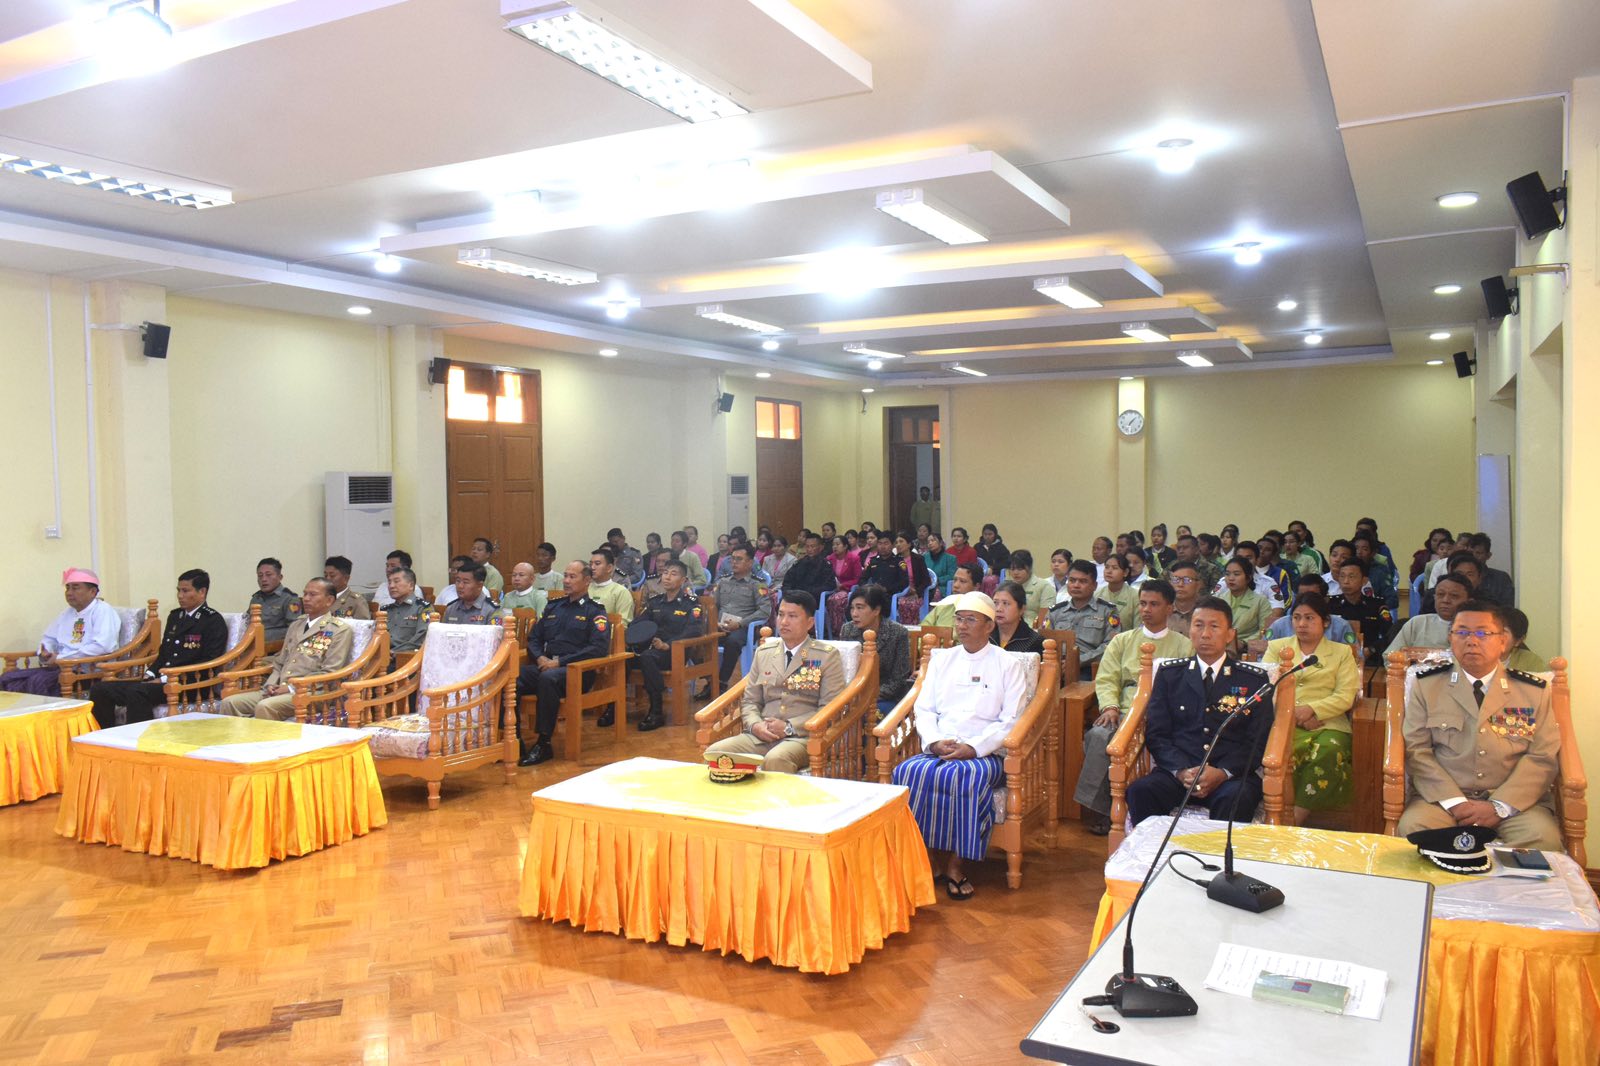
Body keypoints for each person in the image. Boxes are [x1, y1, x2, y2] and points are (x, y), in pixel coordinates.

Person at [892, 591, 1029, 900]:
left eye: (970, 620)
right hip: (941, 746)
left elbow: (1011, 720)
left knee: (963, 777)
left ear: (989, 626)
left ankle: (956, 864)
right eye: (959, 619)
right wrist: (934, 741)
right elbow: (924, 709)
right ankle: (927, 858)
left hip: (985, 753)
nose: (962, 626)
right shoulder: (942, 659)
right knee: (907, 772)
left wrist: (973, 748)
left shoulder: (1007, 664)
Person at [1396, 601, 1561, 849]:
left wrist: (1499, 807)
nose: (1472, 641)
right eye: (1462, 632)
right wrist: (1455, 802)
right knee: (1415, 831)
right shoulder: (1427, 686)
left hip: (1516, 804)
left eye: (1483, 633)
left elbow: (1542, 756)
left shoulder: (1532, 691)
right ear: (1450, 638)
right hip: (1441, 801)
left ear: (1503, 641)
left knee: (1542, 839)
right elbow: (1417, 751)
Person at [1126, 598, 1274, 825]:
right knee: (1141, 791)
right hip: (1179, 773)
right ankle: (1155, 850)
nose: (1205, 634)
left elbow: (1257, 740)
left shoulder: (1253, 680)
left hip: (1230, 777)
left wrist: (1222, 772)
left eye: (1214, 626)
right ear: (1190, 631)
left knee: (1237, 798)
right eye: (1198, 625)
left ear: (1230, 634)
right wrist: (1181, 770)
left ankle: (1219, 851)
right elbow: (1157, 733)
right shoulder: (1170, 675)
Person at [1073, 580, 1193, 833]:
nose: (1146, 610)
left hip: (1164, 714)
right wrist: (1110, 707)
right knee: (1098, 735)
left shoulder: (1184, 645)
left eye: (1154, 604)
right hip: (1125, 710)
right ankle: (1104, 810)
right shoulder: (1122, 640)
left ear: (1169, 608)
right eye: (1143, 603)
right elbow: (1107, 678)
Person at [704, 592, 846, 773]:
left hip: (803, 737)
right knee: (716, 753)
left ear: (810, 623)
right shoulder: (764, 652)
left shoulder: (826, 656)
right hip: (762, 734)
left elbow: (830, 708)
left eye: (792, 616)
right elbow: (750, 701)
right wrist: (755, 725)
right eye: (781, 615)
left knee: (776, 759)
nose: (784, 622)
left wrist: (788, 727)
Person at [87, 569, 228, 728]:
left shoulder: (212, 621)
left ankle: (139, 739)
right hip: (163, 681)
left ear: (202, 592)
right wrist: (150, 673)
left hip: (190, 684)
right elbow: (164, 653)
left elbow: (209, 662)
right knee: (101, 689)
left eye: (185, 591)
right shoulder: (175, 616)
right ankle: (104, 736)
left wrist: (164, 679)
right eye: (178, 590)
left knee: (138, 692)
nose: (180, 595)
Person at [1264, 592, 1358, 821]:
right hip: (1282, 720)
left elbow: (1346, 695)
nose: (1302, 624)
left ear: (1325, 622)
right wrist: (1293, 714)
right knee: (1277, 752)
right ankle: (1271, 813)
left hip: (1328, 722)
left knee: (1327, 751)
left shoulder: (1341, 652)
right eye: (1297, 618)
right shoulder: (1277, 647)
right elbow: (1266, 687)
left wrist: (1312, 710)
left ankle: (1293, 819)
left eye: (1309, 618)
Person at [515, 561, 611, 766]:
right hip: (546, 665)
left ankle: (544, 743)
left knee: (548, 678)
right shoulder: (554, 606)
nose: (566, 581)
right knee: (512, 677)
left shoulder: (595, 611)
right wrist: (539, 657)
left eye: (572, 577)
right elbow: (534, 638)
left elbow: (598, 648)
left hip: (577, 671)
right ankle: (513, 740)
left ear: (587, 580)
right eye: (565, 576)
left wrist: (560, 662)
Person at [216, 579, 353, 720]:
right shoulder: (296, 624)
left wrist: (291, 688)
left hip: (313, 693)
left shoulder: (339, 630)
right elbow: (279, 662)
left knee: (266, 706)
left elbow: (331, 672)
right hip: (279, 688)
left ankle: (265, 736)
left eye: (312, 595)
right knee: (230, 703)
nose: (306, 599)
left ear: (329, 600)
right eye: (305, 594)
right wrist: (271, 684)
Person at [0, 568, 122, 695]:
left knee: (39, 681)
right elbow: (49, 638)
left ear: (92, 591)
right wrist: (45, 653)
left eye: (75, 588)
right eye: (67, 588)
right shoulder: (66, 613)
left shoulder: (103, 611)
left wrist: (61, 658)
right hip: (61, 668)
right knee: (8, 678)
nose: (69, 593)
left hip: (87, 673)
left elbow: (102, 646)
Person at [634, 560, 706, 731]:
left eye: (673, 574)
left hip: (675, 652)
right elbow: (638, 624)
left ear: (683, 580)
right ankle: (613, 710)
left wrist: (667, 645)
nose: (667, 577)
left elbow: (694, 630)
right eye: (665, 573)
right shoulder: (655, 602)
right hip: (652, 649)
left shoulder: (691, 603)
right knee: (624, 658)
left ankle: (656, 711)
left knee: (648, 657)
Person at [840, 584, 913, 711]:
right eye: (852, 608)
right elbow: (844, 670)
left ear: (876, 610)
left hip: (886, 697)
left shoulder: (898, 633)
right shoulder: (847, 630)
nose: (854, 614)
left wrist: (868, 696)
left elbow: (899, 679)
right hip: (854, 694)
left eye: (860, 608)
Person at [1046, 560, 1120, 679]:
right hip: (1056, 666)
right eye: (1072, 580)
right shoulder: (1055, 611)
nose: (1076, 585)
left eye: (1083, 581)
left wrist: (1077, 660)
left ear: (1094, 586)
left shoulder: (1107, 611)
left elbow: (1111, 645)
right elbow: (1044, 639)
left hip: (1089, 668)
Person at [714, 546, 774, 684]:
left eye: (739, 559)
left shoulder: (757, 584)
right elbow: (713, 606)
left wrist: (740, 623)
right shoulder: (723, 582)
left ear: (750, 563)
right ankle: (709, 680)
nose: (734, 562)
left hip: (743, 628)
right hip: (720, 626)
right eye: (732, 559)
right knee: (697, 638)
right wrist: (714, 622)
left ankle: (721, 682)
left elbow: (764, 611)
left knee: (732, 642)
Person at [1265, 571, 1357, 648]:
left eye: (1312, 597)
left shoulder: (1341, 626)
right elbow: (1263, 656)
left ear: (1325, 599)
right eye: (1301, 596)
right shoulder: (1279, 625)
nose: (1305, 601)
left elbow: (1356, 657)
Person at [1387, 574, 1471, 655]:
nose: (1445, 600)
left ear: (1469, 600)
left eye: (1454, 596)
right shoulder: (1417, 623)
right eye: (1440, 594)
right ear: (1434, 597)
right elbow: (1391, 655)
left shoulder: (1475, 626)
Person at [1327, 558, 1391, 662]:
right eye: (1342, 576)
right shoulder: (1330, 605)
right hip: (1336, 660)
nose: (1346, 581)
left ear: (1364, 580)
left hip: (1369, 660)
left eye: (1351, 577)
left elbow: (1389, 633)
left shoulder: (1376, 605)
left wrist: (1371, 649)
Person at [1219, 558, 1270, 651]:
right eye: (1227, 574)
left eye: (1236, 574)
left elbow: (1265, 630)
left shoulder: (1260, 601)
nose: (1231, 578)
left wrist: (1244, 642)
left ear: (1248, 578)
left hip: (1246, 650)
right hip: (1219, 646)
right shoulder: (1219, 599)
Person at [249, 557, 302, 644]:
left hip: (274, 647)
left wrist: (265, 636)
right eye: (260, 576)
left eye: (268, 575)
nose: (264, 579)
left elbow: (293, 629)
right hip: (253, 643)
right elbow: (247, 623)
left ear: (280, 577)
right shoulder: (256, 598)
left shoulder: (290, 599)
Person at [383, 566, 431, 656]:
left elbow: (421, 638)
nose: (391, 586)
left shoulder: (423, 608)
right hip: (383, 656)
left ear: (411, 585)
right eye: (389, 582)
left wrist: (394, 652)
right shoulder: (385, 610)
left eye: (396, 581)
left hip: (407, 657)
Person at [782, 531, 838, 604]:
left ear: (821, 547)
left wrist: (808, 593)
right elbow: (788, 580)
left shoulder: (825, 565)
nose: (809, 549)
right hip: (796, 596)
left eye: (812, 546)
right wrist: (788, 592)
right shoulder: (799, 563)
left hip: (814, 598)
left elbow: (829, 585)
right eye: (807, 546)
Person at [990, 581, 1044, 654]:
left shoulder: (1035, 642)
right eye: (995, 603)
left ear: (1022, 609)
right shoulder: (985, 636)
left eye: (1006, 603)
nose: (999, 609)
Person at [922, 563, 981, 628]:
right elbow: (923, 628)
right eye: (955, 580)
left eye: (962, 581)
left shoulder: (980, 611)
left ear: (976, 586)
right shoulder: (944, 605)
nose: (956, 585)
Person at [586, 546, 635, 622]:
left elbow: (622, 622)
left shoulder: (620, 591)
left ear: (609, 568)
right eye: (590, 564)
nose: (592, 567)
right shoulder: (584, 588)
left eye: (597, 564)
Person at [1466, 533, 1516, 606]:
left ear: (1488, 555)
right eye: (1470, 552)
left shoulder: (1501, 579)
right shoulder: (1458, 576)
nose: (1473, 556)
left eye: (1478, 553)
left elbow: (1508, 607)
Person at [1005, 550, 1054, 621]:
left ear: (1030, 568)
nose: (1015, 572)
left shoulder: (1044, 586)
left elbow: (1045, 619)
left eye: (1020, 569)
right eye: (1012, 569)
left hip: (1032, 626)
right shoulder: (1007, 588)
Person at [1093, 552, 1137, 630]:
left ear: (1125, 572)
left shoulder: (1135, 596)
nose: (1109, 571)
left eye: (1115, 568)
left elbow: (1138, 629)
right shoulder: (1096, 594)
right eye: (1107, 567)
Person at [323, 555, 372, 620]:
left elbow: (363, 624)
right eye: (325, 575)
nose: (327, 579)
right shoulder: (321, 597)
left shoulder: (356, 601)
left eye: (332, 576)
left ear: (346, 578)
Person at [1166, 562, 1204, 637]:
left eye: (1187, 580)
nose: (1180, 584)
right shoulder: (1162, 610)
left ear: (1199, 585)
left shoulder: (1208, 610)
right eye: (1176, 580)